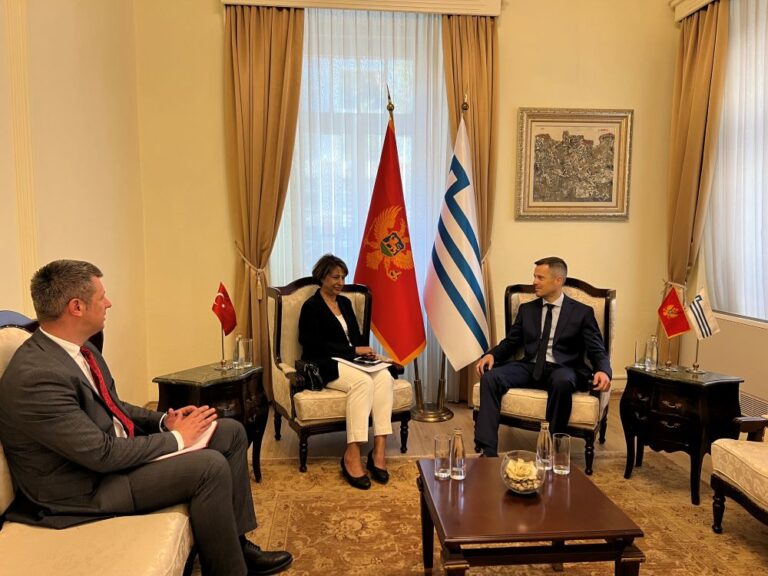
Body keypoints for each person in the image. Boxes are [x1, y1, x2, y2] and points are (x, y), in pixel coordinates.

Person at [0, 260, 292, 576]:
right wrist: (178, 438)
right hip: (84, 490)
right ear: (77, 307)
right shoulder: (37, 377)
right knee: (209, 467)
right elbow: (101, 454)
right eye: (102, 297)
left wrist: (165, 421)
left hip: (108, 461)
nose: (109, 303)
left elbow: (113, 405)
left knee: (229, 431)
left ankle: (237, 545)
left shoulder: (81, 350)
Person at [474, 257, 612, 457]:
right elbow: (511, 342)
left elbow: (597, 350)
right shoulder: (527, 309)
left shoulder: (582, 313)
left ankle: (550, 450)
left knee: (562, 381)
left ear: (558, 280)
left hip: (563, 369)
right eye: (534, 277)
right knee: (490, 378)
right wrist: (491, 355)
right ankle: (488, 453)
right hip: (530, 366)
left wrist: (603, 371)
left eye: (540, 277)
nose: (534, 282)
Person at [298, 254, 394, 490]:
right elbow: (312, 345)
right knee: (363, 383)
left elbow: (358, 339)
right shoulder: (311, 307)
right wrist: (352, 351)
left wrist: (368, 354)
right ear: (322, 277)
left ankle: (378, 452)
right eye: (335, 277)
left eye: (343, 277)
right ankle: (352, 454)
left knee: (384, 376)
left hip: (353, 361)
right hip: (326, 363)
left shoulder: (346, 304)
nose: (340, 282)